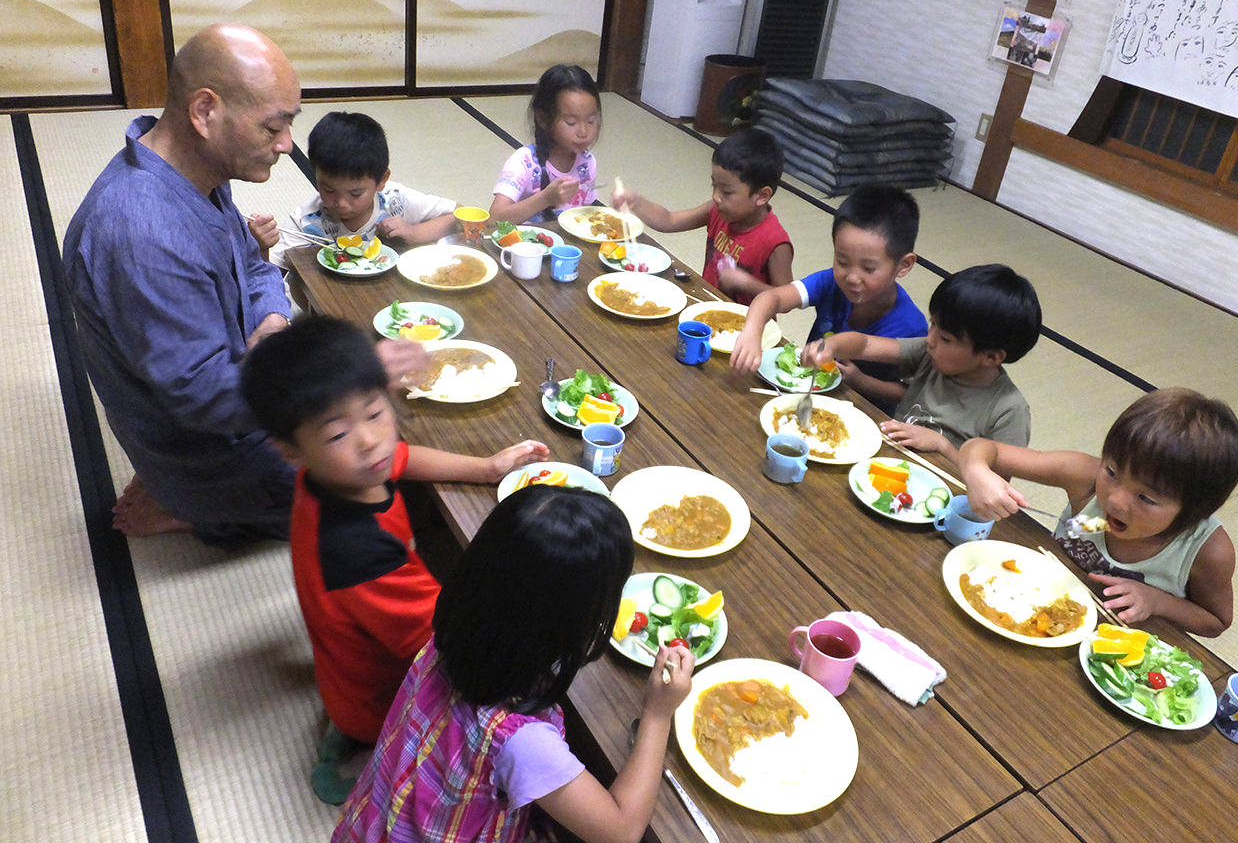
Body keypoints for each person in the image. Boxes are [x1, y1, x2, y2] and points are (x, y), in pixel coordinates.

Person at [241, 315, 548, 804]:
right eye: (338, 433)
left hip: (348, 668)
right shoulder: (357, 553)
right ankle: (367, 753)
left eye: (375, 412)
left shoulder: (333, 474)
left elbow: (402, 456)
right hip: (381, 699)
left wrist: (487, 468)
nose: (369, 440)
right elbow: (448, 645)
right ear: (290, 451)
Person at [333, 485, 695, 843]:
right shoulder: (522, 742)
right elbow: (622, 830)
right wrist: (657, 713)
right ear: (569, 623)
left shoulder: (451, 638)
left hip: (377, 822)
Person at [62, 23, 303, 545]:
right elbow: (205, 399)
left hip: (238, 391)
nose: (287, 145)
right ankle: (197, 509)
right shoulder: (142, 233)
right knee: (376, 490)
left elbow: (258, 265)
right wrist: (322, 394)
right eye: (272, 128)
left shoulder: (194, 173)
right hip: (210, 446)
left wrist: (273, 322)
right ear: (204, 112)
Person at [958, 387, 1238, 637]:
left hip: (1114, 643)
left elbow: (1216, 622)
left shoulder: (1208, 551)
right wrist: (977, 472)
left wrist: (1158, 602)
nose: (1116, 500)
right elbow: (983, 448)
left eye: (1146, 498)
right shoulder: (1085, 477)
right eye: (1112, 471)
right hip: (1023, 600)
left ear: (1195, 511)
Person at [796, 264, 1041, 461]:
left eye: (945, 337)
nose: (930, 339)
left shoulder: (1009, 411)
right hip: (885, 464)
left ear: (991, 357)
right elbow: (865, 345)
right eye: (933, 323)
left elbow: (994, 489)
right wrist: (831, 346)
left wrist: (942, 446)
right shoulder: (930, 353)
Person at [728, 186, 925, 410]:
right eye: (842, 261)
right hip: (807, 394)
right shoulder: (830, 281)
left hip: (868, 414)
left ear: (903, 265)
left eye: (868, 268)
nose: (852, 277)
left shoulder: (912, 326)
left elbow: (909, 394)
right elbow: (773, 298)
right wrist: (752, 330)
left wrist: (860, 380)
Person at [609, 127, 793, 304]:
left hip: (747, 327)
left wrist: (746, 283)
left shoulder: (775, 241)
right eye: (714, 186)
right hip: (707, 306)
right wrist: (636, 202)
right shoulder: (717, 210)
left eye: (727, 192)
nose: (716, 197)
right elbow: (669, 220)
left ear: (762, 196)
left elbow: (788, 298)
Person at [249, 111, 457, 267]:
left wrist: (414, 232)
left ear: (382, 180)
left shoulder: (394, 201)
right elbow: (273, 273)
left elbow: (459, 214)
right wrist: (262, 247)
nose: (341, 203)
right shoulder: (306, 220)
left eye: (355, 193)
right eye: (328, 190)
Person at [490, 64, 601, 225]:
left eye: (591, 121)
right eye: (571, 122)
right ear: (543, 119)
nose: (583, 131)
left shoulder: (587, 162)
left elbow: (584, 219)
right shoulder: (524, 162)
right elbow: (493, 219)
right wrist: (546, 198)